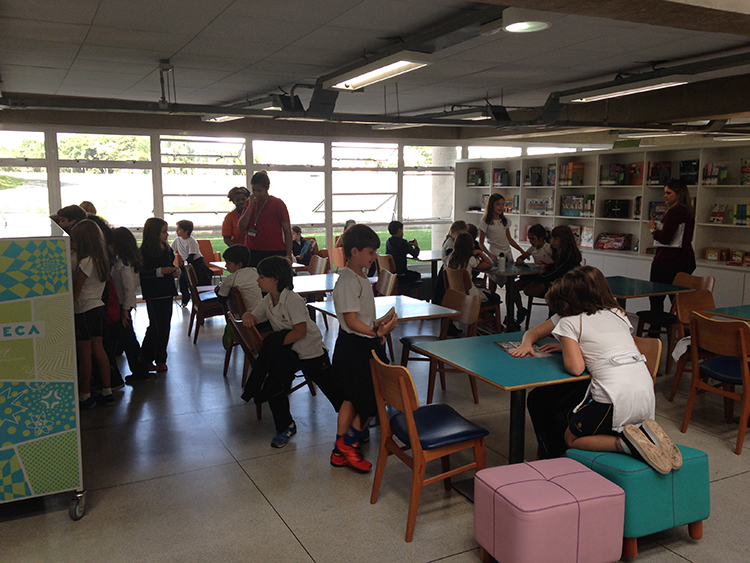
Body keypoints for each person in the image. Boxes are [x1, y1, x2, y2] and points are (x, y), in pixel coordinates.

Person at [510, 266, 682, 474]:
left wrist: (568, 346)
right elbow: (603, 345)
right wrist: (571, 346)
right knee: (558, 403)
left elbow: (576, 368)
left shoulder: (570, 322)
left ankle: (626, 444)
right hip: (645, 393)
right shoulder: (618, 313)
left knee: (570, 437)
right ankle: (645, 434)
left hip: (613, 398)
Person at [240, 257, 343, 448]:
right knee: (274, 386)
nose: (257, 280)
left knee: (331, 389)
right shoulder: (268, 300)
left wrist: (276, 343)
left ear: (275, 279)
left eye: (261, 277)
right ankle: (286, 426)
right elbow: (254, 316)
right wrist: (247, 316)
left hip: (310, 351)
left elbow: (300, 332)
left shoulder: (292, 299)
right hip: (290, 352)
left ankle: (354, 422)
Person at [330, 224, 398, 472]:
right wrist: (376, 333)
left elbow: (359, 318)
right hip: (355, 348)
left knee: (351, 399)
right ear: (355, 251)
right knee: (373, 398)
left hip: (357, 343)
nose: (374, 257)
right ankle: (349, 443)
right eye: (371, 252)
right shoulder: (349, 280)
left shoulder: (358, 277)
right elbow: (351, 321)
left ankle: (339, 451)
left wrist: (377, 325)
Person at [70, 219, 113, 408]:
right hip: (97, 306)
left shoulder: (85, 262)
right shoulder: (101, 258)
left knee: (85, 354)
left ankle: (85, 395)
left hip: (83, 309)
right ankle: (107, 390)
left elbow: (76, 290)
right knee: (99, 349)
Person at [646, 178, 696, 314]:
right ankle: (681, 325)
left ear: (679, 194)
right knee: (678, 299)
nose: (665, 196)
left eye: (669, 193)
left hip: (668, 261)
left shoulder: (674, 211)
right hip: (685, 260)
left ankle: (657, 324)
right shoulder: (688, 211)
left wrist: (652, 229)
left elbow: (665, 238)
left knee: (657, 298)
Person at [109, 227, 152, 383]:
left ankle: (140, 371)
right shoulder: (126, 261)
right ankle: (140, 370)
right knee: (126, 338)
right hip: (123, 305)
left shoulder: (123, 263)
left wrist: (125, 310)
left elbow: (128, 288)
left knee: (128, 339)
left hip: (122, 306)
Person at [139, 218, 180, 372]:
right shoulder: (144, 252)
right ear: (154, 233)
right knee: (156, 326)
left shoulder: (167, 249)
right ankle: (146, 357)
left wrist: (175, 271)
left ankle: (161, 358)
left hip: (167, 291)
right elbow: (142, 273)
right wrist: (160, 271)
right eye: (164, 232)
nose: (167, 235)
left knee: (165, 326)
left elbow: (171, 265)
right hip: (154, 293)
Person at [238, 170, 293, 267]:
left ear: (266, 188)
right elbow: (241, 227)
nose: (256, 194)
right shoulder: (249, 203)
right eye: (254, 190)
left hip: (274, 250)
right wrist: (250, 206)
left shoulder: (277, 203)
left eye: (259, 191)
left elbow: (287, 230)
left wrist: (288, 255)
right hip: (252, 249)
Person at [478, 193, 528, 294]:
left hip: (507, 253)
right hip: (494, 254)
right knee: (492, 283)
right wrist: (490, 255)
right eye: (498, 204)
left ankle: (514, 303)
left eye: (503, 204)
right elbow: (481, 243)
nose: (501, 207)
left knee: (510, 284)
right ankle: (492, 302)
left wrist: (521, 250)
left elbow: (509, 239)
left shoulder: (505, 221)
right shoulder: (485, 223)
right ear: (491, 205)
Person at [522, 225, 582, 302]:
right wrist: (547, 267)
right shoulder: (558, 250)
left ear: (564, 240)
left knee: (530, 289)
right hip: (558, 280)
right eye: (552, 238)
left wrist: (541, 276)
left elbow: (559, 272)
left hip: (565, 284)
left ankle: (554, 301)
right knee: (528, 287)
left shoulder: (569, 254)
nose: (552, 241)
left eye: (555, 239)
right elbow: (556, 267)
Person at [513, 223, 552, 325]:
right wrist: (520, 259)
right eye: (529, 239)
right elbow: (522, 256)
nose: (530, 241)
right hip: (533, 274)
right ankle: (521, 310)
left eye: (533, 239)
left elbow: (555, 262)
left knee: (528, 289)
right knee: (513, 287)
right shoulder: (532, 248)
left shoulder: (548, 248)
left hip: (544, 276)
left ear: (541, 238)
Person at [447, 232, 499, 304]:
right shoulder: (470, 259)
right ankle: (485, 311)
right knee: (496, 297)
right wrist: (480, 253)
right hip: (470, 295)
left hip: (455, 293)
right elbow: (489, 265)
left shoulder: (450, 258)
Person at [171, 219, 213, 306]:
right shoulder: (177, 240)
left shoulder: (192, 241)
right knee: (183, 280)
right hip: (186, 263)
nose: (177, 231)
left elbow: (191, 257)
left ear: (186, 231)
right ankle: (185, 300)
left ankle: (203, 302)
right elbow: (170, 250)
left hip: (197, 263)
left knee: (200, 282)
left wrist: (180, 267)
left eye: (179, 229)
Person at [215, 244, 262, 312]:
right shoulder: (255, 272)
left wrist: (217, 291)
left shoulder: (232, 278)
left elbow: (222, 299)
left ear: (239, 264)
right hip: (259, 312)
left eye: (228, 263)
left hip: (242, 314)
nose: (226, 266)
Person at [385, 220, 420, 285]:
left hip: (391, 275)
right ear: (399, 230)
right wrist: (416, 246)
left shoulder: (388, 242)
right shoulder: (403, 243)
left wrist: (408, 245)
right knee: (417, 275)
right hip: (402, 275)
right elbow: (415, 254)